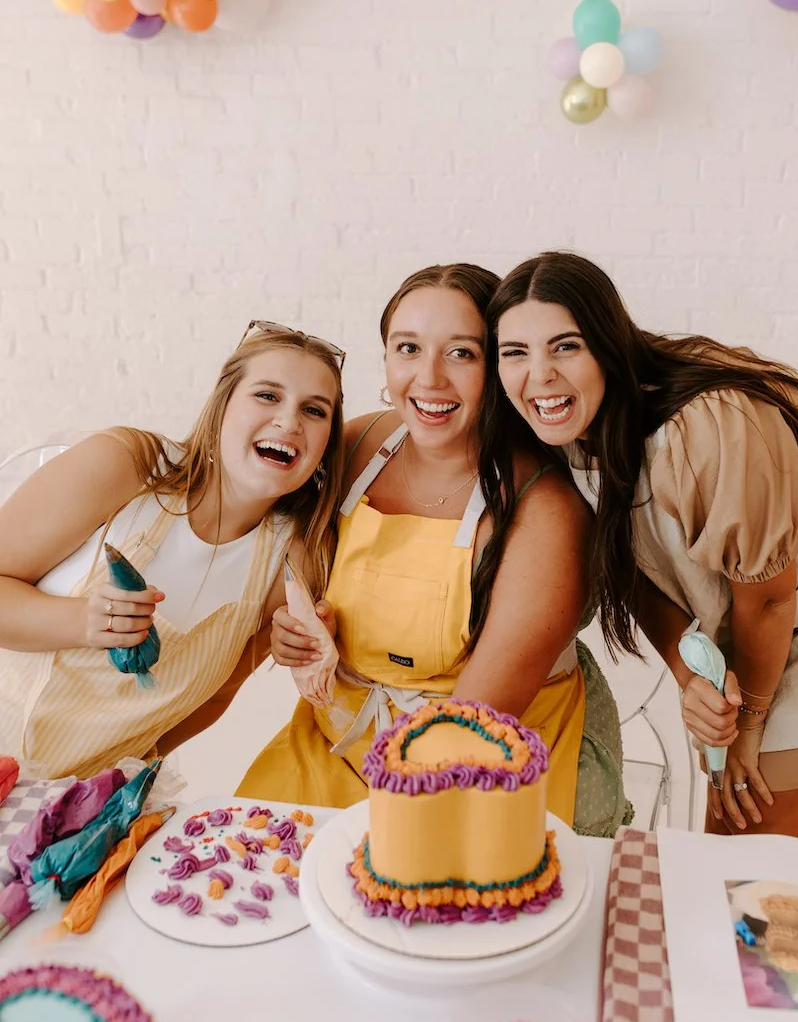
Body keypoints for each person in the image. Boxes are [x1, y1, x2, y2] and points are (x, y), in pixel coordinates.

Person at [485, 250, 798, 840]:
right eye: (515, 353)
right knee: (731, 823)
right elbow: (631, 568)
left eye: (565, 346)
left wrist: (751, 722)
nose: (540, 374)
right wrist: (689, 674)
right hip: (781, 609)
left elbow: (769, 600)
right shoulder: (562, 427)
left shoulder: (706, 429)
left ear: (608, 343)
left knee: (752, 821)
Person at [239, 265, 631, 836]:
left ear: (496, 366)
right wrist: (297, 629)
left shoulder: (542, 510)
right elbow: (288, 566)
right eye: (408, 348)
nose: (429, 379)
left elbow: (472, 723)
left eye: (462, 354)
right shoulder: (354, 446)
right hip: (340, 738)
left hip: (483, 762)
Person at [0, 323, 345, 781]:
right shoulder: (127, 466)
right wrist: (85, 621)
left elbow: (219, 695)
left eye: (314, 410)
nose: (289, 421)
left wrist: (125, 779)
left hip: (82, 813)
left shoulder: (292, 558)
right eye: (266, 395)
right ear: (222, 406)